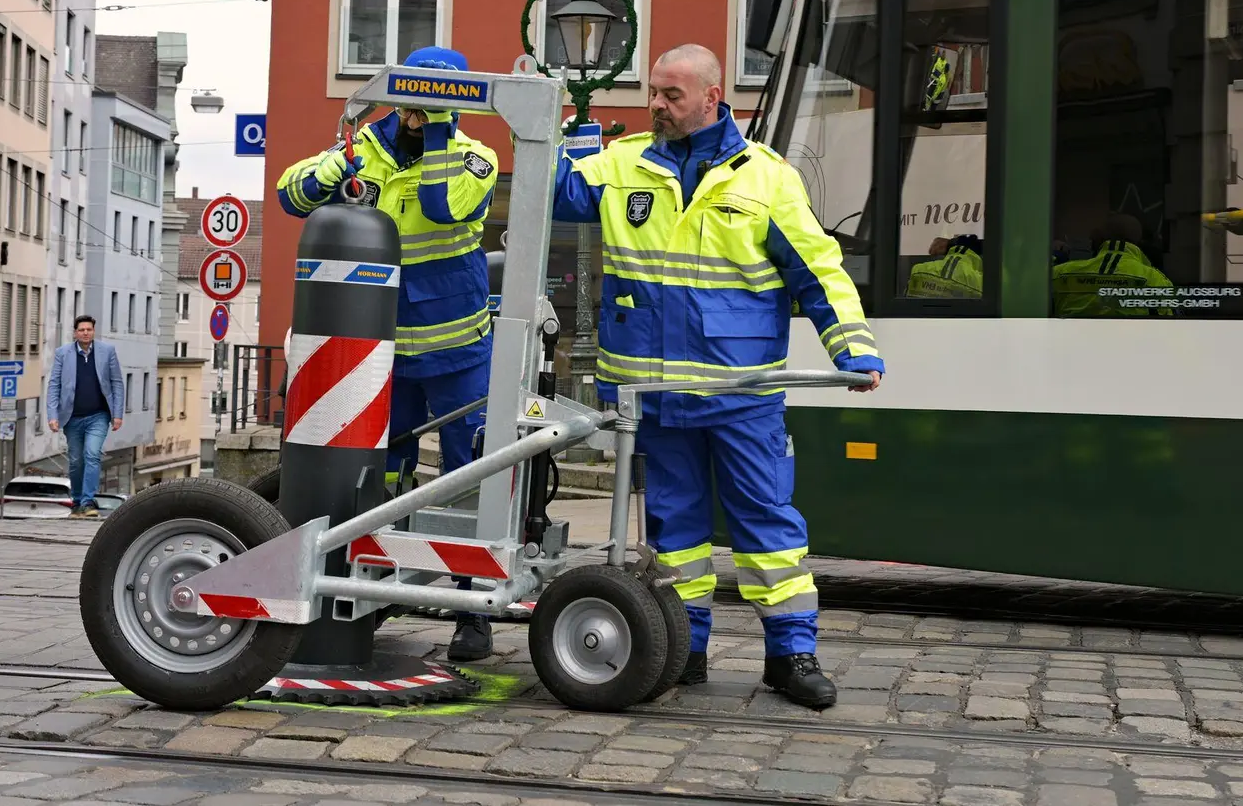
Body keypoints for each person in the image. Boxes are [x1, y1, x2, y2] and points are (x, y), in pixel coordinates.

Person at [549, 43, 885, 709]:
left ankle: (791, 655)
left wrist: (854, 348)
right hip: (653, 398)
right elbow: (557, 195)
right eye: (653, 92)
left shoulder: (766, 177)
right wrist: (566, 132)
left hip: (740, 396)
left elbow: (817, 271)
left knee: (767, 525)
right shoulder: (621, 165)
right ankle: (684, 646)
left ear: (712, 95)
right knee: (675, 535)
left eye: (672, 96)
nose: (657, 106)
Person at [275, 46, 499, 663]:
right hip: (377, 354)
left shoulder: (476, 158)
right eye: (415, 98)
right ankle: (367, 595)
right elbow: (289, 194)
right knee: (377, 478)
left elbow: (442, 206)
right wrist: (327, 177)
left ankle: (471, 606)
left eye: (436, 99)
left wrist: (443, 136)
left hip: (457, 351)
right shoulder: (360, 146)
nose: (420, 111)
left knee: (466, 479)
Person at [46, 316, 125, 517]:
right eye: (81, 330)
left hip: (98, 415)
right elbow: (54, 385)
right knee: (75, 461)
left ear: (93, 331)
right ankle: (77, 500)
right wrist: (52, 415)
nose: (85, 333)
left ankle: (88, 502)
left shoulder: (107, 352)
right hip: (71, 417)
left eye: (89, 329)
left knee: (92, 454)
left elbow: (117, 383)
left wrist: (117, 414)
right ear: (75, 333)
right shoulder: (62, 354)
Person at [1051, 214, 1174, 316]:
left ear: (1098, 239)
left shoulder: (1060, 273)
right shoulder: (1154, 279)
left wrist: (1054, 255)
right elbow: (1169, 327)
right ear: (1139, 242)